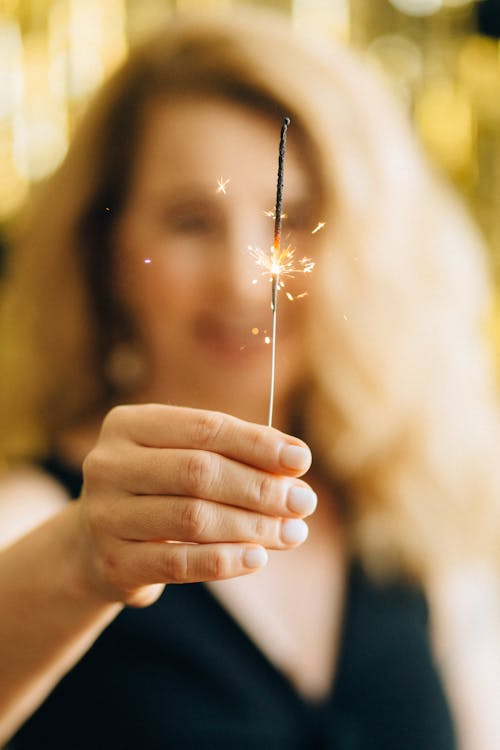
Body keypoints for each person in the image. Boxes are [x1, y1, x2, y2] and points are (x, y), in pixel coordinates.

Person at [1, 6, 500, 749]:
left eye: (292, 218)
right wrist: (78, 560)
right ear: (107, 251)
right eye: (190, 220)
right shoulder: (33, 516)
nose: (244, 281)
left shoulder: (410, 521)